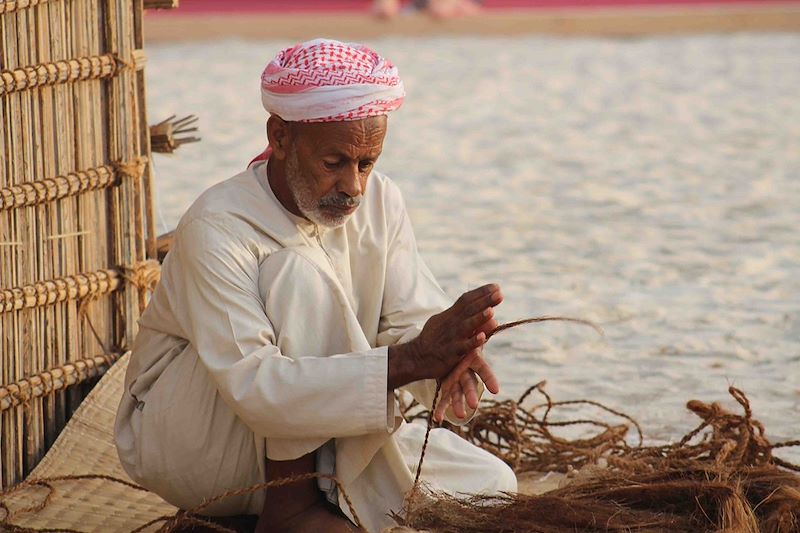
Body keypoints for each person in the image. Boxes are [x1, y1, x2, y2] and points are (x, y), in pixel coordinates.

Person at [115, 38, 516, 533]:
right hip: (199, 441)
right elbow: (257, 390)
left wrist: (448, 361)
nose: (354, 186)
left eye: (366, 164)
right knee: (297, 273)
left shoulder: (381, 201)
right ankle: (291, 509)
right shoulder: (216, 224)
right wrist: (410, 359)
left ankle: (322, 497)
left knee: (493, 488)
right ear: (280, 138)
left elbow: (409, 320)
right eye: (335, 163)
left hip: (325, 431)